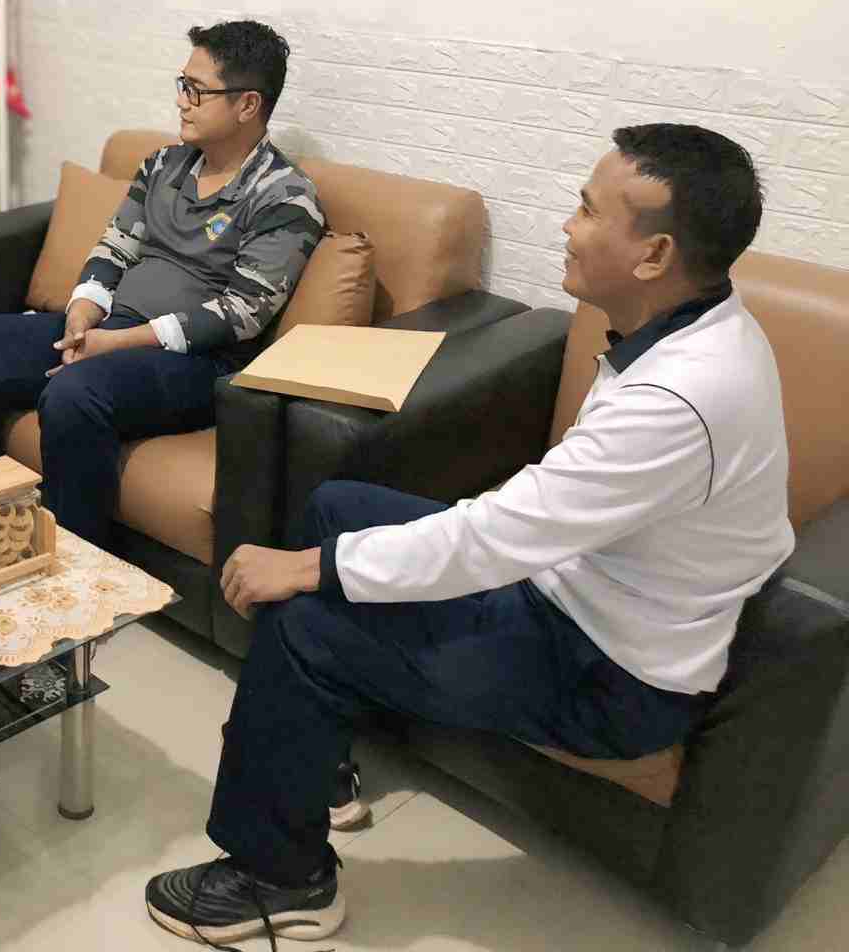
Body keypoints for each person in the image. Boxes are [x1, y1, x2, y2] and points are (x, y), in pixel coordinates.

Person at [145, 124, 792, 946]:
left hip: (605, 670)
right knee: (338, 503)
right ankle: (315, 758)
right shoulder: (699, 327)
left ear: (655, 254)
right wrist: (328, 558)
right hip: (573, 593)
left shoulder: (680, 400)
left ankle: (281, 878)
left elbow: (497, 537)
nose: (568, 227)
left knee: (307, 624)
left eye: (588, 211)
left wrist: (313, 571)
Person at [0, 20, 324, 546]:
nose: (181, 101)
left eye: (196, 90)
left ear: (247, 105)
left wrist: (116, 344)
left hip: (196, 364)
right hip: (110, 329)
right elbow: (113, 249)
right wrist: (81, 315)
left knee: (74, 393)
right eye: (182, 85)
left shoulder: (285, 197)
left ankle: (76, 568)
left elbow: (243, 312)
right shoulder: (163, 165)